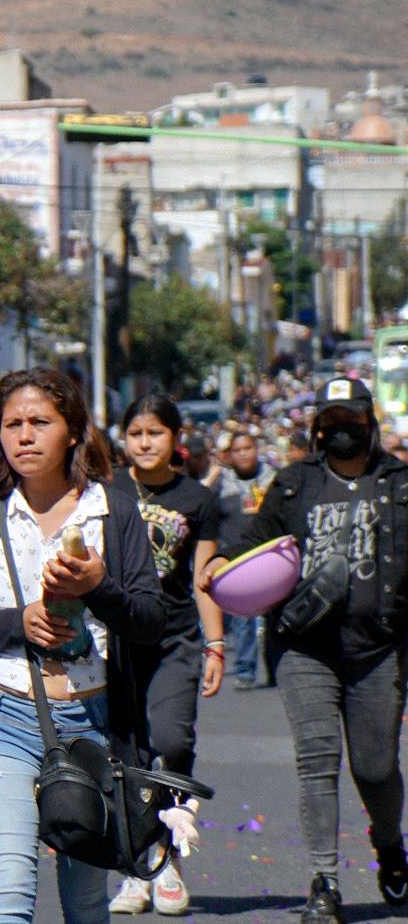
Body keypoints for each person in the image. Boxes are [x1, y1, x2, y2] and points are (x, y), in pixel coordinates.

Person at [0, 370, 164, 924]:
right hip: (2, 719)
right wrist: (21, 622)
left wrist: (96, 588)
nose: (25, 436)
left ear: (72, 433)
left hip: (92, 722)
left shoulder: (114, 512)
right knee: (10, 891)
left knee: (85, 901)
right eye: (12, 425)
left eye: (41, 422)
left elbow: (151, 620)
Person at [206, 377, 408, 924]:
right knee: (317, 764)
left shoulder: (399, 483)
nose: (342, 430)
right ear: (317, 428)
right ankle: (324, 882)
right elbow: (254, 541)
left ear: (370, 424)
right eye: (332, 421)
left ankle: (390, 849)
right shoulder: (294, 484)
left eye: (352, 421)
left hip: (379, 650)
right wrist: (222, 563)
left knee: (375, 767)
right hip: (305, 648)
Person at [106, 394, 225, 915]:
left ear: (175, 438)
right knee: (126, 755)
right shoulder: (105, 491)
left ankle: (170, 851)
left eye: (155, 432)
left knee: (172, 740)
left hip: (176, 638)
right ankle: (138, 866)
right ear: (123, 439)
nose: (145, 442)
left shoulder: (197, 498)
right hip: (117, 639)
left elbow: (203, 581)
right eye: (136, 433)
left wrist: (216, 644)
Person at [206, 428, 273, 687]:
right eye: (237, 450)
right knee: (243, 618)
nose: (244, 454)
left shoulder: (272, 478)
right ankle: (245, 669)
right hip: (237, 561)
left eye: (248, 448)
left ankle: (276, 668)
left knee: (273, 618)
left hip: (269, 558)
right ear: (229, 455)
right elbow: (202, 509)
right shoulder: (222, 482)